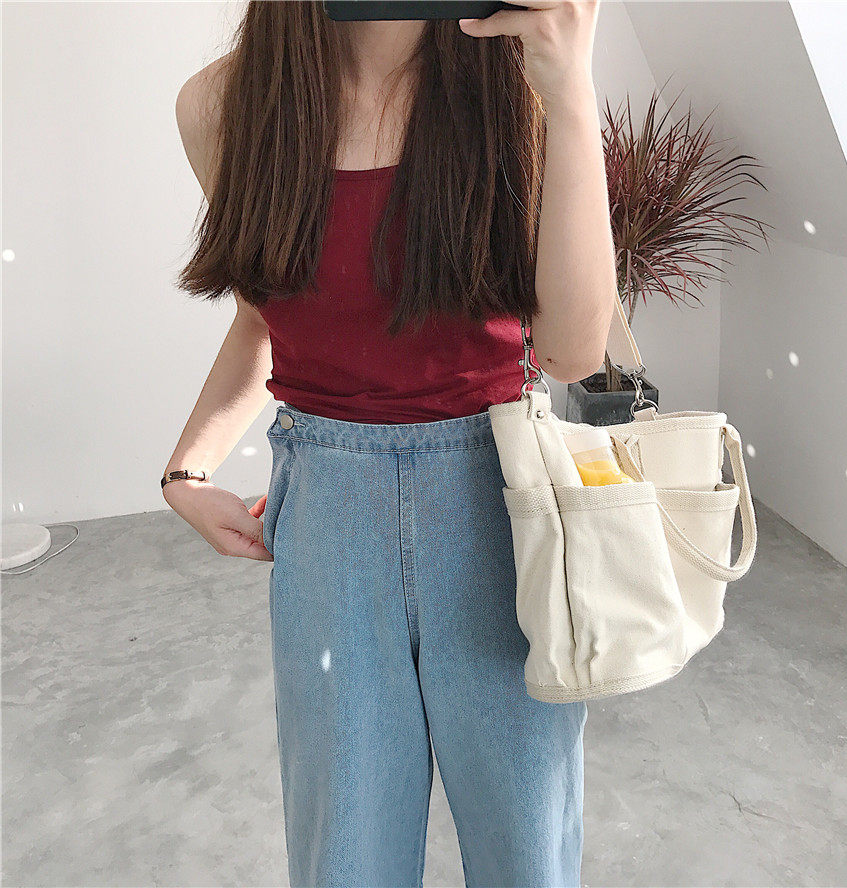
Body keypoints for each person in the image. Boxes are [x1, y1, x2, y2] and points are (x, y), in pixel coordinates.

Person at [164, 2, 615, 885]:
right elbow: (265, 314)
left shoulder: (523, 87)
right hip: (328, 522)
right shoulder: (222, 107)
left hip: (502, 511)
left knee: (529, 850)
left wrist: (569, 94)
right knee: (345, 854)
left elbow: (572, 351)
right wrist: (188, 468)